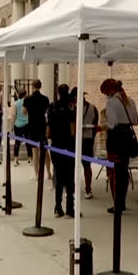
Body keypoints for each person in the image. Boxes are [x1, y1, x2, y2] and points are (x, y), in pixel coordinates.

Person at [96, 79, 138, 214]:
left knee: (113, 172)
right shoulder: (130, 101)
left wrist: (101, 127)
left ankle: (117, 204)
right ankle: (122, 202)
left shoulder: (111, 102)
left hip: (115, 139)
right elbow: (135, 121)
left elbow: (112, 124)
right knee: (123, 171)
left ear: (109, 91)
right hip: (127, 137)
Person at [47, 84, 76, 218]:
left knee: (58, 176)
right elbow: (73, 130)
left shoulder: (52, 107)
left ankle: (57, 207)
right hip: (68, 145)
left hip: (56, 145)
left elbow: (48, 129)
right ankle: (70, 208)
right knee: (70, 178)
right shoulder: (71, 107)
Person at [72, 87, 99, 200]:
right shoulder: (93, 108)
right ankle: (88, 189)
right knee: (87, 166)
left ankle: (72, 189)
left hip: (75, 139)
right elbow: (95, 125)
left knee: (73, 165)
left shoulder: (73, 108)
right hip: (88, 139)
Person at [22, 79, 52, 180]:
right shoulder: (45, 99)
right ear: (40, 86)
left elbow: (23, 112)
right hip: (42, 125)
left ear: (32, 86)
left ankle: (37, 174)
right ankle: (48, 173)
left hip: (32, 126)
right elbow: (48, 112)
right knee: (45, 150)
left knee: (35, 151)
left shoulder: (28, 99)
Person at [12, 90, 32, 166]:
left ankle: (16, 159)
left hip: (18, 124)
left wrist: (12, 126)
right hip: (27, 124)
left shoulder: (15, 103)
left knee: (17, 142)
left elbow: (14, 115)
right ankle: (30, 159)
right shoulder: (28, 102)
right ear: (25, 95)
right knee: (28, 142)